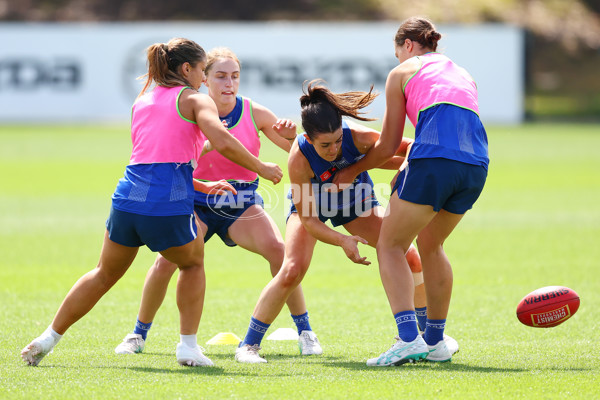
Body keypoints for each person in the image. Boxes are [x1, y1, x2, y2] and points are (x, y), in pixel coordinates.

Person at [20, 38, 283, 367]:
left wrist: (202, 184)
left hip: (127, 199)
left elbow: (155, 161)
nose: (204, 79)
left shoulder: (141, 100)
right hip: (166, 204)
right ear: (187, 69)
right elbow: (222, 141)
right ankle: (188, 347)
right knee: (192, 263)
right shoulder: (194, 100)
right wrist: (262, 167)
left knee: (104, 273)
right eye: (203, 71)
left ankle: (49, 337)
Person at [114, 47, 323, 357]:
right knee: (165, 262)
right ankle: (138, 334)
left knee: (280, 252)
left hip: (240, 203)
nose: (229, 83)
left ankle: (305, 331)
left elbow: (299, 150)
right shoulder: (191, 108)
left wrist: (293, 136)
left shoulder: (254, 112)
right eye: (221, 76)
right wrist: (211, 146)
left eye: (235, 77)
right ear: (204, 79)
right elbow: (172, 156)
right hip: (195, 201)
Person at [234, 80, 428, 364]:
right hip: (312, 206)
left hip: (356, 203)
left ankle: (421, 337)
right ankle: (247, 345)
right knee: (291, 270)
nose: (334, 149)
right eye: (325, 145)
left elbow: (409, 147)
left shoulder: (356, 137)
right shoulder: (298, 159)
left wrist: (384, 166)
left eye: (338, 140)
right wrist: (343, 241)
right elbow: (310, 220)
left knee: (409, 256)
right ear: (309, 139)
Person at [332, 17, 489, 366]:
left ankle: (407, 339)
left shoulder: (402, 72)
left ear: (407, 46)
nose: (398, 59)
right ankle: (434, 342)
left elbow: (388, 144)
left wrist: (354, 169)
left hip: (435, 160)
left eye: (397, 53)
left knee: (390, 244)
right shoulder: (464, 73)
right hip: (477, 164)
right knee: (432, 245)